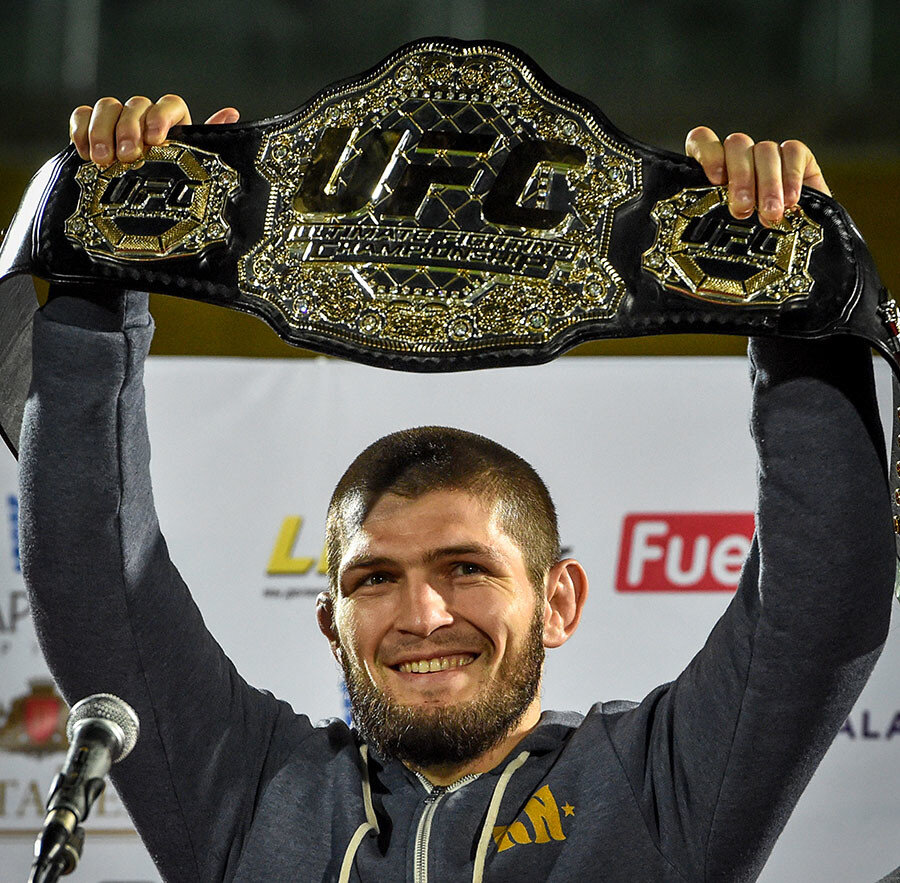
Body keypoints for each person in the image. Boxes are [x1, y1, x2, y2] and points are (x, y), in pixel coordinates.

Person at [18, 95, 895, 882]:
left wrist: (799, 296)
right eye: (373, 578)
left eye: (467, 567)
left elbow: (818, 600)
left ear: (558, 600)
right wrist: (107, 258)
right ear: (330, 625)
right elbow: (97, 582)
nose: (423, 614)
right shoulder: (258, 797)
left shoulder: (653, 787)